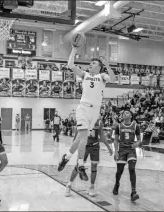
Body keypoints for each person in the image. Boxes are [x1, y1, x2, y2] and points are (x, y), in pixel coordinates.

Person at [58, 45, 114, 180]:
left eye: (93, 63)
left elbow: (112, 77)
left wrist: (107, 64)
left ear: (99, 67)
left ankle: (66, 158)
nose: (90, 64)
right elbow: (70, 64)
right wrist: (74, 49)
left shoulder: (102, 76)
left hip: (95, 111)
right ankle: (81, 165)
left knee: (78, 140)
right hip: (83, 108)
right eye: (90, 63)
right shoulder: (85, 75)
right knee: (83, 138)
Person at [65, 116, 113, 197]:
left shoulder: (99, 122)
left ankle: (91, 187)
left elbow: (102, 136)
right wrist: (74, 145)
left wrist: (108, 147)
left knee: (94, 167)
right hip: (84, 146)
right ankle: (69, 185)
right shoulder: (83, 120)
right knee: (78, 166)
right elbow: (77, 134)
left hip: (95, 146)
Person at [113, 110, 141, 202]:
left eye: (128, 112)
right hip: (121, 150)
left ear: (131, 116)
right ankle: (117, 184)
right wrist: (115, 151)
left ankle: (133, 192)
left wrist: (136, 144)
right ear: (122, 116)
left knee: (132, 169)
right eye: (124, 113)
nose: (126, 113)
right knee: (119, 171)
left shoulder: (136, 126)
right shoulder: (118, 126)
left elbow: (139, 140)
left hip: (131, 150)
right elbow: (116, 140)